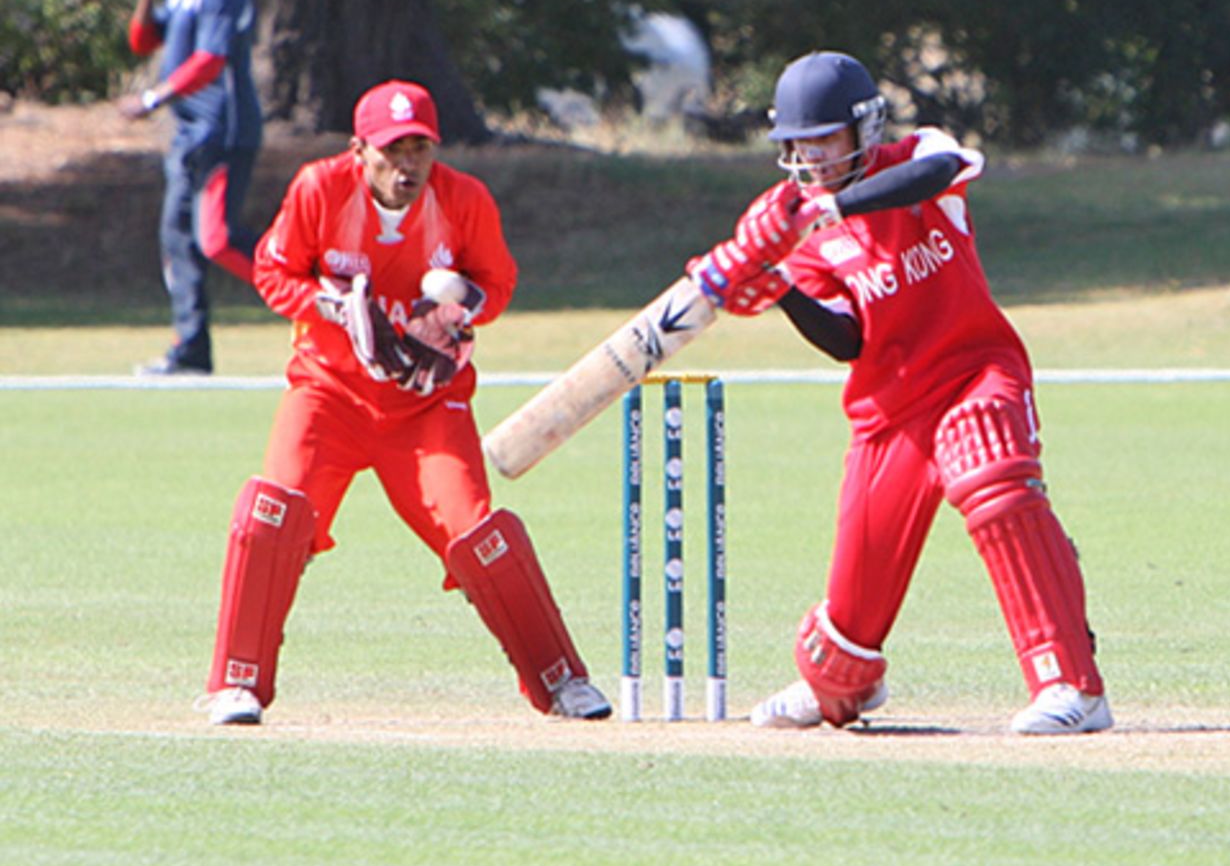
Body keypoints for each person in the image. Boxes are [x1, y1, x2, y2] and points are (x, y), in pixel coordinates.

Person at [688, 51, 1112, 735]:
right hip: (889, 413)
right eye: (797, 145)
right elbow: (847, 340)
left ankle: (1071, 685)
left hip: (976, 370)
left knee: (992, 477)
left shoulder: (921, 157)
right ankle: (842, 689)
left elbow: (939, 171)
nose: (811, 158)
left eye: (823, 139)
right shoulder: (806, 237)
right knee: (841, 641)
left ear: (865, 128)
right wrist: (780, 290)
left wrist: (831, 208)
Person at [200, 79, 611, 726]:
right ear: (359, 149)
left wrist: (457, 311)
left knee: (479, 534)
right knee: (273, 514)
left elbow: (497, 283)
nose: (407, 165)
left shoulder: (464, 201)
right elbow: (274, 273)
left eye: (419, 148)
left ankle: (563, 681)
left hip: (425, 406)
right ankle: (236, 683)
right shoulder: (318, 188)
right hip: (329, 391)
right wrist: (335, 306)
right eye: (391, 151)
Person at [118, 0, 262, 376]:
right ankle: (191, 349)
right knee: (178, 240)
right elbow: (143, 41)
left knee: (216, 240)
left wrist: (154, 98)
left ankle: (324, 296)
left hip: (223, 131)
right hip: (189, 136)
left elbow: (211, 61)